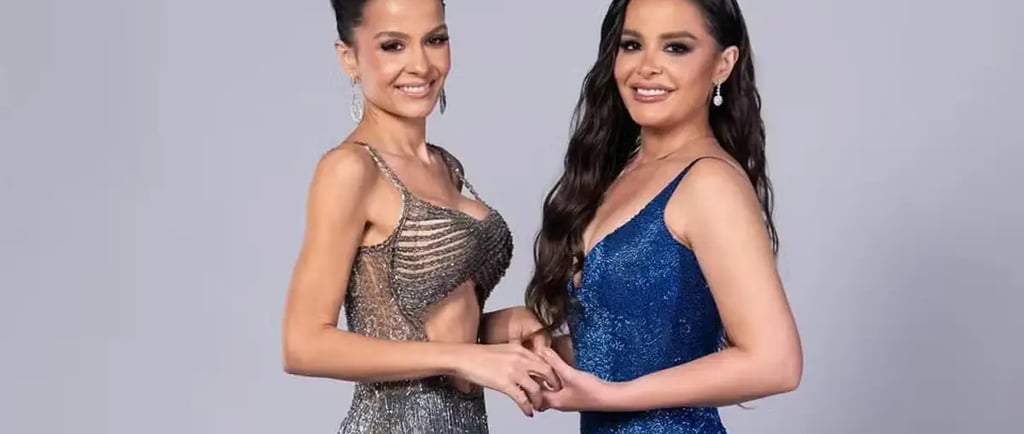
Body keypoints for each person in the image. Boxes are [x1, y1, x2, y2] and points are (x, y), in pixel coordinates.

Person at [523, 0, 803, 432]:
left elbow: (776, 363)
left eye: (676, 48)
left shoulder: (710, 183)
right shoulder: (618, 175)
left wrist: (612, 396)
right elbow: (624, 345)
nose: (647, 67)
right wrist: (529, 340)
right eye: (632, 45)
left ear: (724, 64)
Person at [280, 0, 560, 432]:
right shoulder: (350, 170)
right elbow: (303, 344)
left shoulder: (445, 166)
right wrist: (466, 357)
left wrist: (499, 327)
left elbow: (417, 330)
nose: (421, 65)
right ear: (349, 57)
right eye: (393, 45)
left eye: (435, 40)